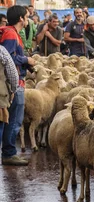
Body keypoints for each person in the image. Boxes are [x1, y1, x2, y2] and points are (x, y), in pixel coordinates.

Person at [0, 5, 36, 166]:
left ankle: (9, 152)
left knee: (11, 118)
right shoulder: (10, 34)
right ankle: (8, 153)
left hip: (14, 81)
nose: (28, 19)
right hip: (13, 84)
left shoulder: (12, 33)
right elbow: (5, 57)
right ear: (21, 18)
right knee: (14, 119)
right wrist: (26, 60)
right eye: (27, 16)